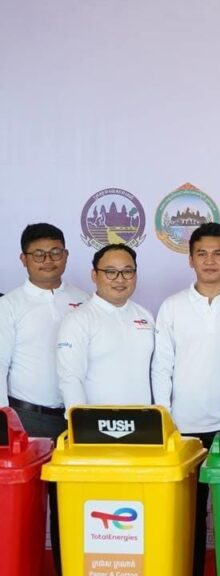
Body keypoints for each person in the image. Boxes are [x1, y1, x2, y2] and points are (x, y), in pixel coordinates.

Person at [151, 222, 220, 576]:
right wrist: (165, 420)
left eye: (218, 253)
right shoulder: (172, 307)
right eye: (201, 253)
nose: (209, 261)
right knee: (187, 517)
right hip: (183, 429)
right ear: (189, 259)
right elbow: (162, 368)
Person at [0, 223, 88, 575]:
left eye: (55, 252)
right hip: (27, 419)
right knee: (25, 507)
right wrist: (5, 423)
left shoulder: (84, 299)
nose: (48, 260)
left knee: (73, 506)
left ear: (66, 255)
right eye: (39, 254)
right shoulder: (9, 305)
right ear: (24, 259)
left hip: (75, 420)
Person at [57, 244, 154, 407]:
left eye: (128, 271)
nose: (120, 279)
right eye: (110, 272)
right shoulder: (78, 319)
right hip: (96, 425)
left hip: (143, 423)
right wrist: (81, 423)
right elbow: (70, 379)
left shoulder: (145, 316)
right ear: (94, 275)